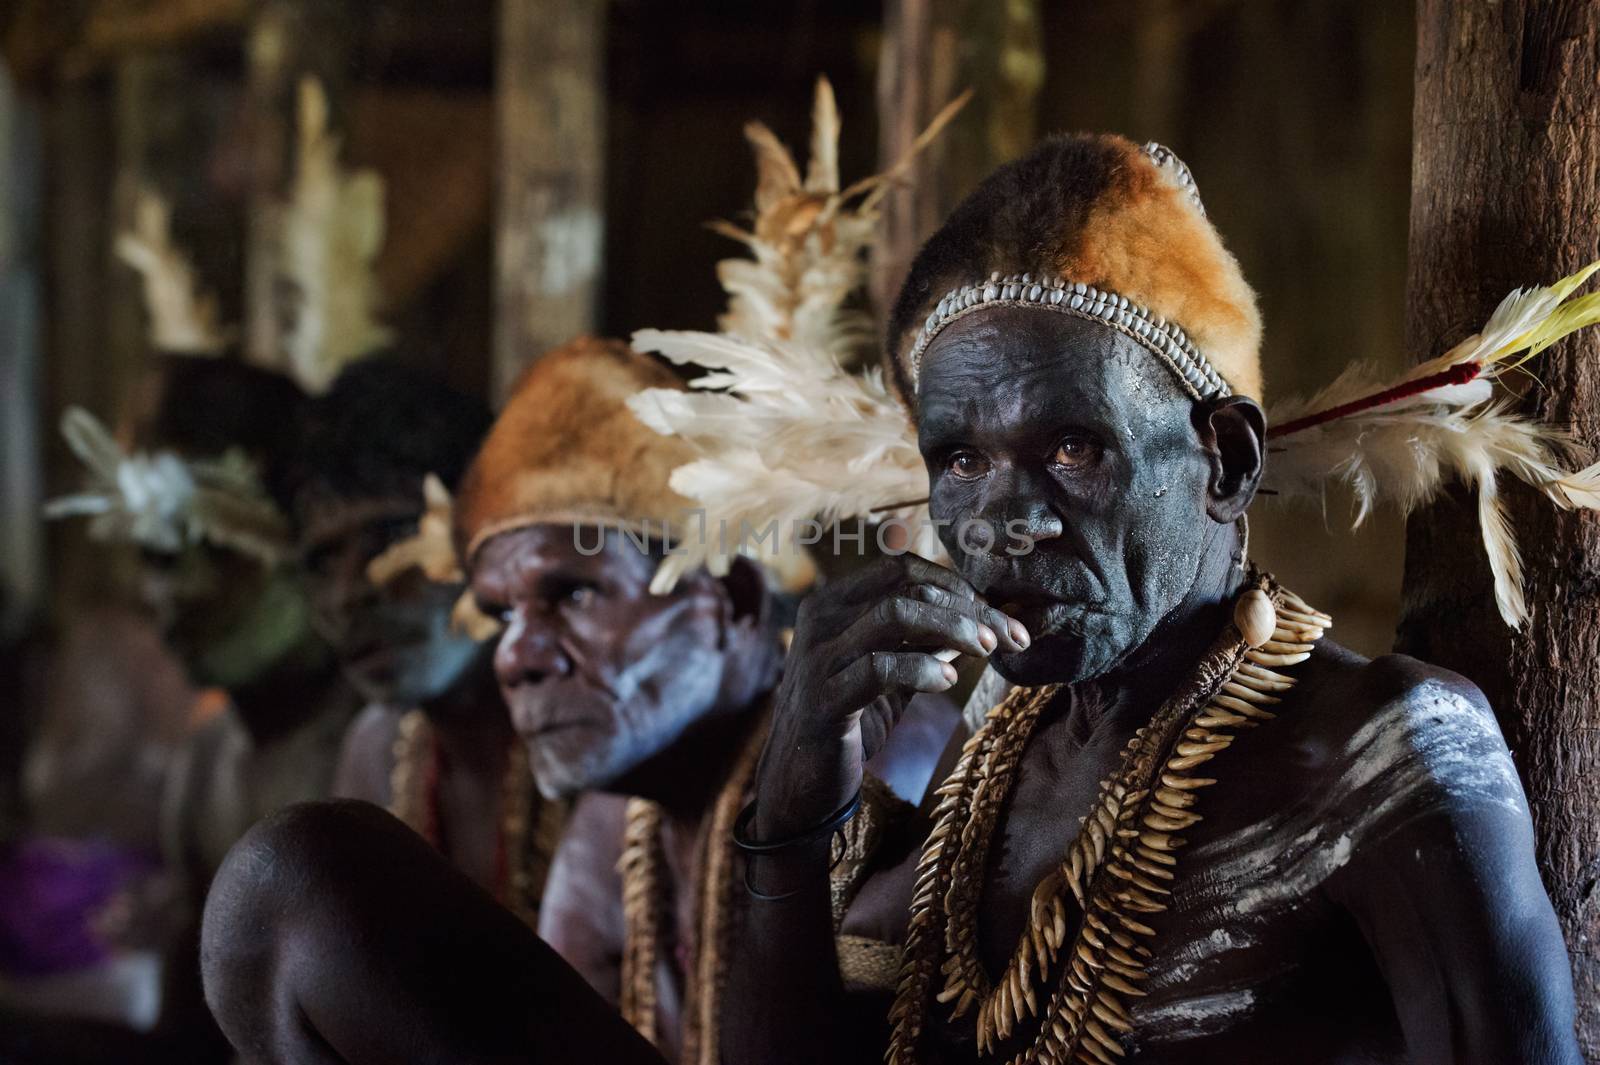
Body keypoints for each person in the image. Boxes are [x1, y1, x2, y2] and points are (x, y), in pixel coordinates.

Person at [682, 134, 1587, 1063]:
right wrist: (790, 833)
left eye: (1072, 448)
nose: (1005, 521)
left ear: (1227, 461)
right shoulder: (989, 746)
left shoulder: (1383, 754)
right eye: (960, 460)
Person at [198, 337, 957, 1064]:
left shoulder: (877, 744)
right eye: (500, 614)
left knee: (301, 875)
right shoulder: (615, 821)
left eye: (571, 593)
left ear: (727, 596)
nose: (516, 657)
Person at [291, 357, 561, 919]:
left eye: (393, 539)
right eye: (321, 561)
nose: (349, 595)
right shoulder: (376, 753)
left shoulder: (593, 725)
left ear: (489, 522)